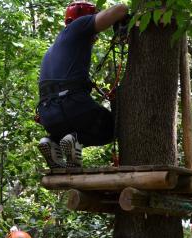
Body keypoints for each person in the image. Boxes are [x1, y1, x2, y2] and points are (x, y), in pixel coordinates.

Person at [37, 1, 130, 168]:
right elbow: (121, 9)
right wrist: (121, 21)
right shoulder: (79, 26)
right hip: (70, 104)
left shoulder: (56, 47)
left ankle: (52, 142)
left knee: (70, 126)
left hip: (47, 114)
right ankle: (76, 141)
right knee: (112, 127)